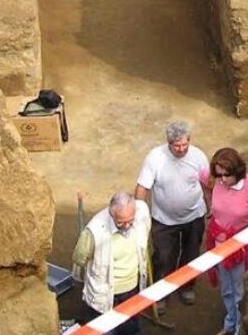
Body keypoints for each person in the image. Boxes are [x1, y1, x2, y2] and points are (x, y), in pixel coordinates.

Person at [200, 147, 248, 335]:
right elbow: (202, 179)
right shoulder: (214, 178)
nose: (222, 180)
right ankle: (231, 322)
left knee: (240, 290)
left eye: (226, 176)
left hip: (242, 246)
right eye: (219, 176)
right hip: (219, 243)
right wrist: (210, 203)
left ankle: (240, 329)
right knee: (227, 288)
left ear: (237, 171)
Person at [135, 121, 209, 307]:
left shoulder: (198, 156)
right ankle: (160, 293)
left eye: (185, 144)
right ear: (168, 142)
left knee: (191, 253)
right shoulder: (155, 158)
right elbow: (143, 187)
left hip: (194, 216)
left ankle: (186, 286)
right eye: (176, 145)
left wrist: (212, 207)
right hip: (164, 220)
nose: (181, 149)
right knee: (163, 257)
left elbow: (206, 185)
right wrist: (139, 213)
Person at [72, 192, 152, 335]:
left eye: (130, 221)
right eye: (121, 222)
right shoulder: (94, 231)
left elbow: (145, 229)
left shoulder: (142, 213)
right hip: (103, 296)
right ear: (111, 213)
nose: (127, 226)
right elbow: (79, 258)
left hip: (131, 291)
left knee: (131, 330)